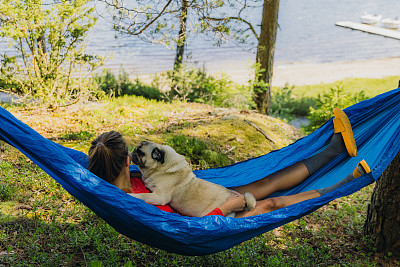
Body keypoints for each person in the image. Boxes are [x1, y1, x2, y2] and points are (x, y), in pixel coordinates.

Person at [88, 108, 370, 218]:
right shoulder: (129, 200)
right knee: (272, 203)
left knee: (264, 182)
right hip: (215, 216)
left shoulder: (118, 182)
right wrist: (228, 206)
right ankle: (344, 183)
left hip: (201, 193)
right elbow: (183, 229)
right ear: (127, 161)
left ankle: (333, 151)